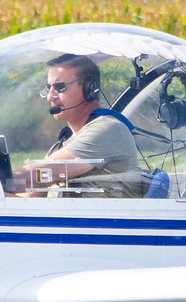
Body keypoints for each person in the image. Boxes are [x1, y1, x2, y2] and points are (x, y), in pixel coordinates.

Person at [17, 54, 145, 198]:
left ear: (89, 88)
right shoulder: (61, 146)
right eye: (48, 88)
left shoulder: (107, 129)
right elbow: (30, 199)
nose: (50, 97)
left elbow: (47, 170)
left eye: (60, 87)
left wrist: (2, 179)